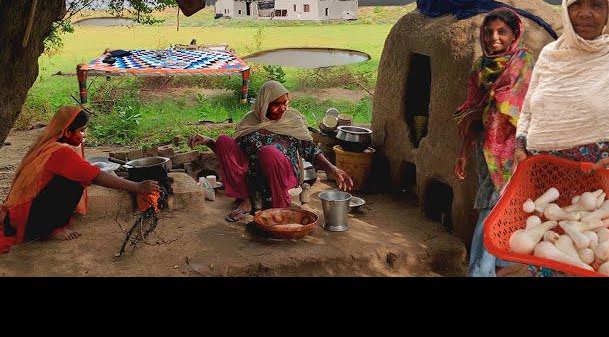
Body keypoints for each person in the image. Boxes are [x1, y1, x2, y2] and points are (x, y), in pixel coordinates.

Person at [512, 0, 609, 277]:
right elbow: (528, 110)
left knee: (594, 258)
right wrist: (519, 147)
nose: (585, 13)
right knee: (546, 254)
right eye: (576, 5)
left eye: (596, 5)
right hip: (546, 182)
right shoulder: (551, 56)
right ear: (566, 12)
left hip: (596, 186)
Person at [0, 105, 159, 254]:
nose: (84, 135)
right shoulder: (60, 153)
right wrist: (137, 187)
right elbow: (95, 175)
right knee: (75, 182)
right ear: (67, 132)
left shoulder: (46, 144)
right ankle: (49, 230)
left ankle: (44, 226)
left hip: (18, 214)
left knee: (76, 175)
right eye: (81, 130)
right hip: (28, 222)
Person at [189, 81, 353, 221]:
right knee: (224, 140)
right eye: (276, 104)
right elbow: (233, 157)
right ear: (264, 103)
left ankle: (280, 204)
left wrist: (333, 169)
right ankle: (248, 199)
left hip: (282, 174)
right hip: (252, 178)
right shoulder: (250, 120)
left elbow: (311, 150)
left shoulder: (292, 120)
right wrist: (210, 142)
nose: (282, 108)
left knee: (269, 152)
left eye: (285, 103)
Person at [453, 8, 534, 277]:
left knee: (493, 209)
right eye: (488, 32)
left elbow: (515, 108)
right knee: (495, 207)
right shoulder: (480, 66)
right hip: (485, 150)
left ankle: (479, 270)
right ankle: (496, 265)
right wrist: (463, 152)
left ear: (514, 34)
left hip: (513, 151)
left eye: (502, 32)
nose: (493, 38)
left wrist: (482, 109)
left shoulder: (522, 63)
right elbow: (471, 113)